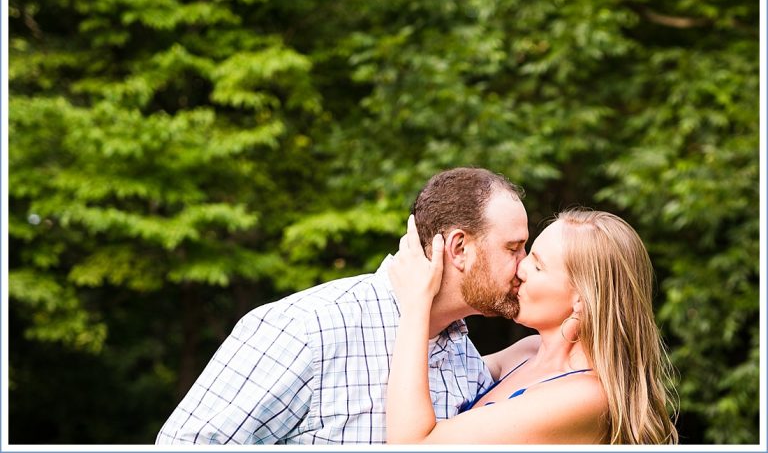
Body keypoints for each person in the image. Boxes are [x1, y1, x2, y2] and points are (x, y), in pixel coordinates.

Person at [156, 167, 529, 444]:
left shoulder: (465, 356)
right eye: (513, 248)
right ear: (459, 248)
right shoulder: (309, 327)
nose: (524, 264)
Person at [387, 209, 679, 444]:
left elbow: (413, 447)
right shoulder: (527, 352)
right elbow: (436, 374)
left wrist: (416, 304)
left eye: (538, 265)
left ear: (582, 300)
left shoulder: (587, 397)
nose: (520, 268)